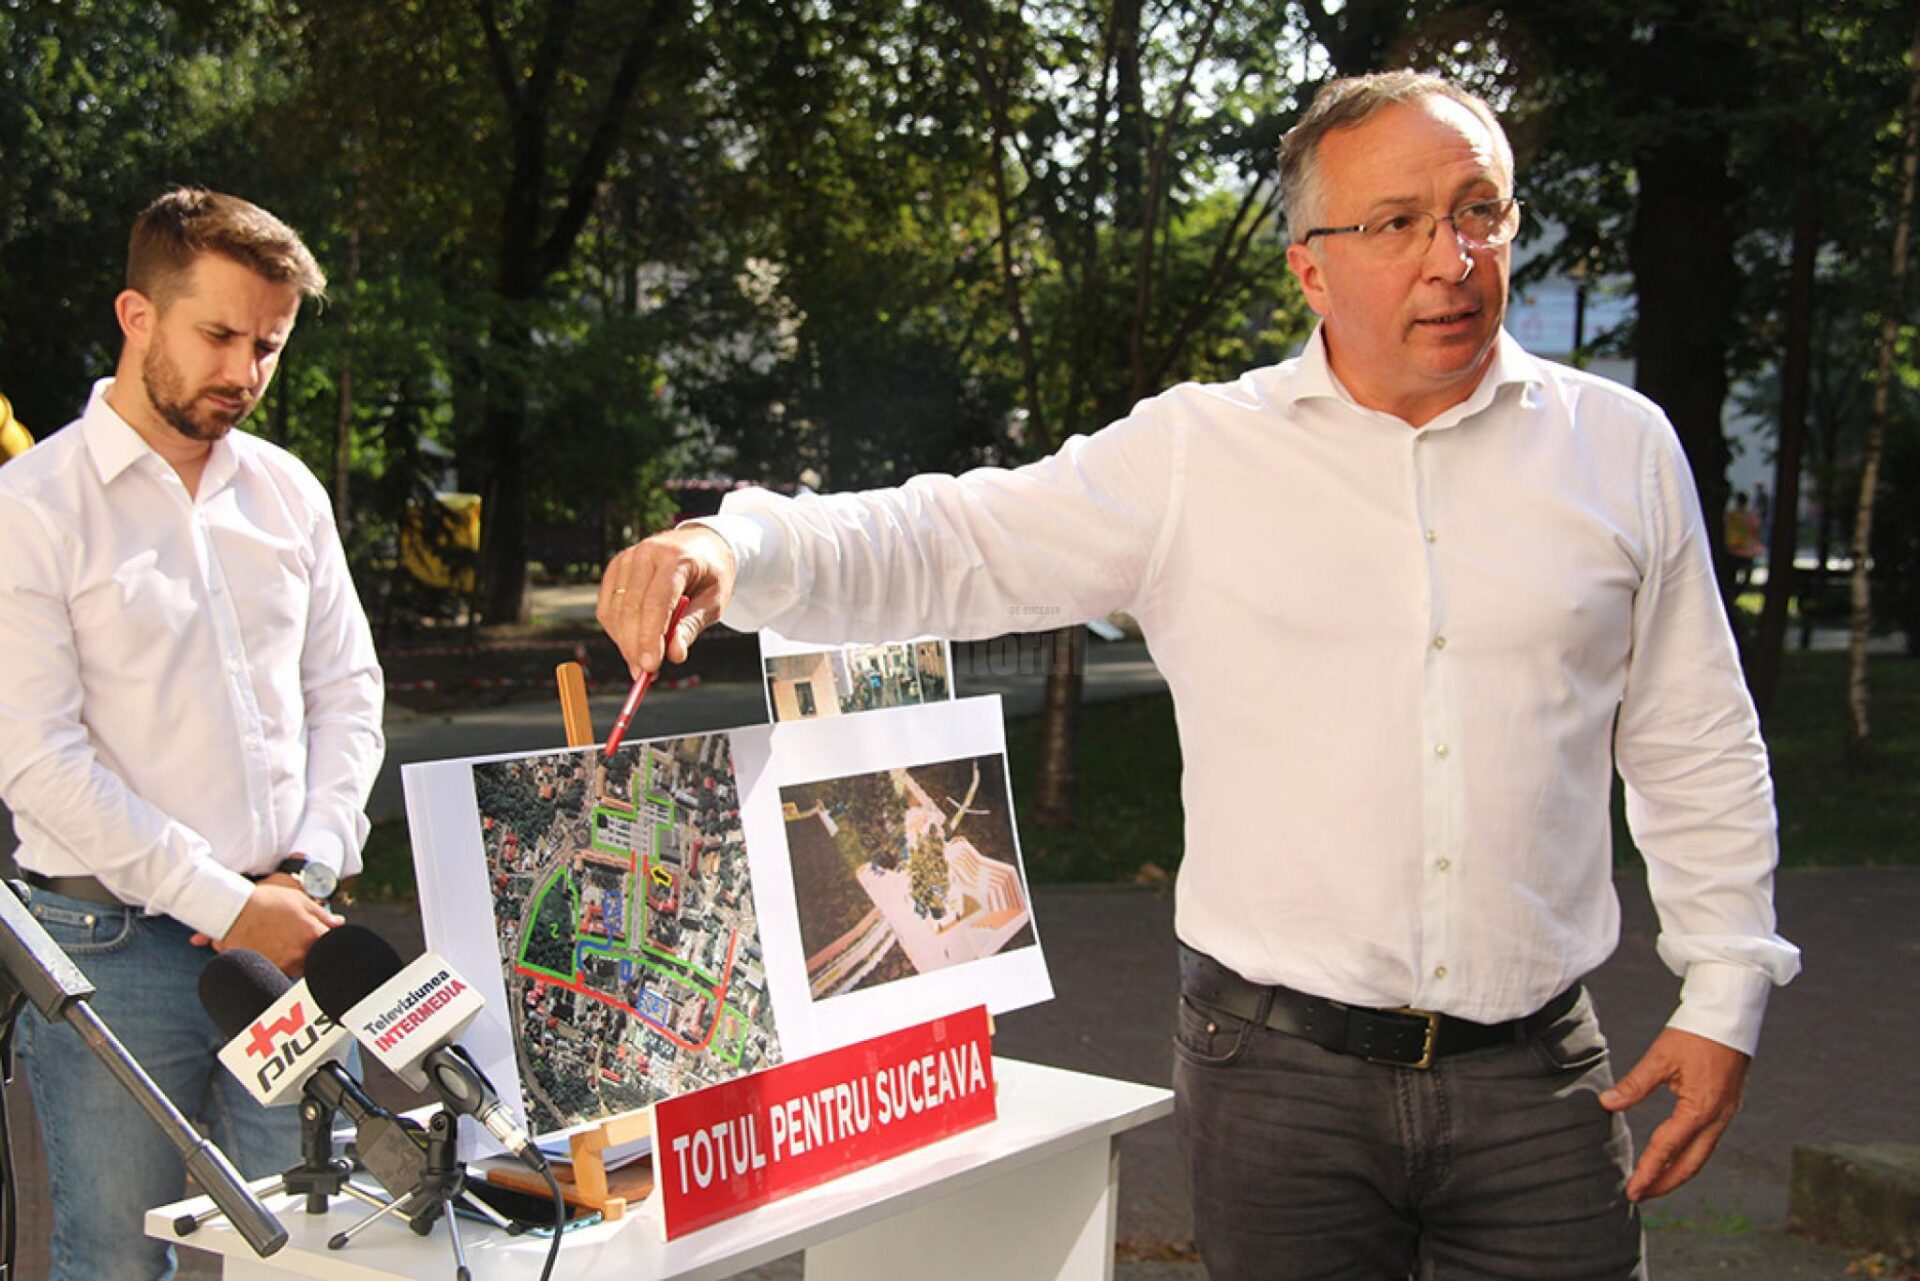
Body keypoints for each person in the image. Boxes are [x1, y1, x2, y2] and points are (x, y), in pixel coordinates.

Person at [597, 71, 1799, 1279]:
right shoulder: (1198, 455)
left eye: (1479, 210)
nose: (1454, 258)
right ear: (1311, 269)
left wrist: (1725, 989)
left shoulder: (1620, 449)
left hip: (1540, 1086)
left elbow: (1694, 735)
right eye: (1398, 223)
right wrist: (737, 547)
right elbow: (953, 538)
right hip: (1277, 1085)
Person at [0, 188, 384, 1280]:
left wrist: (309, 867)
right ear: (137, 315)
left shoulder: (288, 493)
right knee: (116, 1260)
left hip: (292, 938)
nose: (244, 371)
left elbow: (347, 691)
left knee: (320, 1252)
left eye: (267, 345)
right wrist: (229, 906)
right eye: (218, 334)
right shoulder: (31, 506)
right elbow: (38, 762)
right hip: (107, 952)